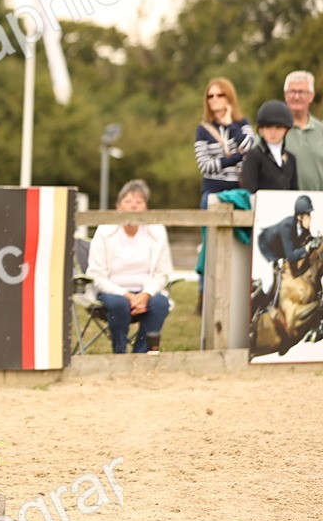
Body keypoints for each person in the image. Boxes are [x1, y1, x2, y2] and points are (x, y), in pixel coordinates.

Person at [86, 179, 173, 355]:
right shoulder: (104, 231)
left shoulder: (157, 231)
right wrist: (127, 296)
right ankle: (119, 351)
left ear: (146, 208)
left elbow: (162, 273)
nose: (133, 206)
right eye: (128, 202)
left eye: (139, 202)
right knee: (118, 304)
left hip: (145, 291)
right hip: (112, 292)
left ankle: (140, 353)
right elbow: (96, 275)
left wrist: (145, 294)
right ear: (118, 207)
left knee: (161, 303)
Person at [193, 77, 254, 312]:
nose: (215, 100)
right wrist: (236, 157)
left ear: (229, 97)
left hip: (238, 192)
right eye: (211, 96)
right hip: (212, 192)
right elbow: (206, 165)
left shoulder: (242, 123)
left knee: (240, 244)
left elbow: (249, 144)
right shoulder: (203, 130)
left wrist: (230, 124)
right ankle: (203, 296)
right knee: (209, 245)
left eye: (220, 95)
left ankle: (237, 297)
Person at [253, 195, 318, 313]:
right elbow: (291, 256)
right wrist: (307, 248)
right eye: (307, 216)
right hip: (267, 246)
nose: (310, 219)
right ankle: (257, 309)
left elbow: (308, 241)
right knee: (269, 280)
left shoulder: (303, 228)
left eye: (309, 215)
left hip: (280, 248)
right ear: (299, 217)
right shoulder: (287, 227)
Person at [240, 100, 298, 193]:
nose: (273, 132)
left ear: (286, 130)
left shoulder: (291, 159)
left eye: (278, 127)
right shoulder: (253, 156)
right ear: (261, 129)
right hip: (261, 206)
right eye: (268, 127)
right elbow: (249, 189)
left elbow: (294, 192)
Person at [283, 70, 323, 191]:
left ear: (311, 96)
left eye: (301, 92)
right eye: (292, 92)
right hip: (282, 202)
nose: (296, 96)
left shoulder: (321, 130)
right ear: (285, 95)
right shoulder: (273, 131)